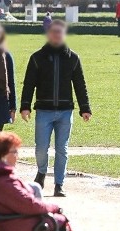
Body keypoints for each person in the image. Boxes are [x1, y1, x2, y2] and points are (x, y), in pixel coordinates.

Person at [21, 20, 91, 197]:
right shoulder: (37, 58)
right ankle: (42, 172)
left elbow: (80, 84)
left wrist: (85, 108)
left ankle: (59, 184)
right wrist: (25, 106)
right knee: (41, 148)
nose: (56, 35)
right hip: (43, 111)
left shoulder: (73, 58)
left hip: (65, 111)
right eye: (53, 32)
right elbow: (29, 84)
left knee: (62, 149)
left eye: (60, 33)